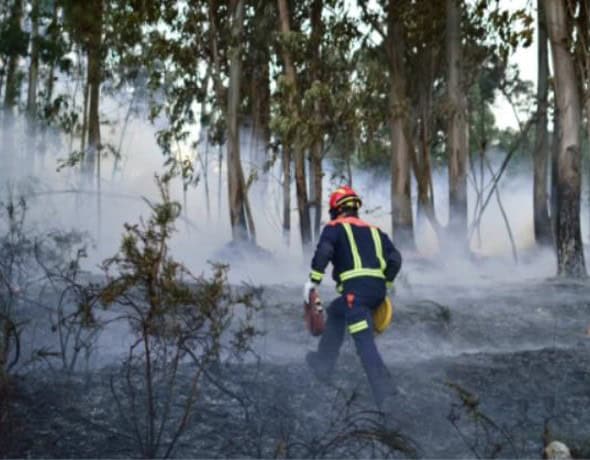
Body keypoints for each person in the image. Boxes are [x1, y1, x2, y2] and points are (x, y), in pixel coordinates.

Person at [303, 185, 402, 407]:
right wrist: (385, 281)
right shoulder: (376, 231)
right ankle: (323, 364)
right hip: (375, 293)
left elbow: (325, 251)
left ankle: (387, 397)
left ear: (335, 210)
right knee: (336, 311)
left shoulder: (334, 227)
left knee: (364, 344)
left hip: (355, 296)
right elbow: (395, 259)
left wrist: (313, 280)